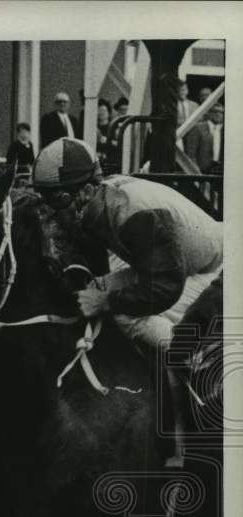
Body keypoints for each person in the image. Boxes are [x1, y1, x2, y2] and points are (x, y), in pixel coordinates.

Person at [32, 137, 222, 463]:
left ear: (85, 192)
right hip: (175, 263)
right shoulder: (94, 203)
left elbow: (164, 286)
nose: (51, 211)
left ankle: (199, 375)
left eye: (56, 199)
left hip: (212, 269)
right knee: (95, 289)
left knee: (127, 315)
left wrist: (107, 302)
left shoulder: (131, 212)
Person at [183, 102, 224, 174]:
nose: (218, 114)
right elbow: (191, 153)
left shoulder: (224, 130)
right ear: (209, 113)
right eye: (215, 112)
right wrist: (195, 172)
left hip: (219, 170)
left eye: (221, 112)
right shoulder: (198, 128)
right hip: (201, 171)